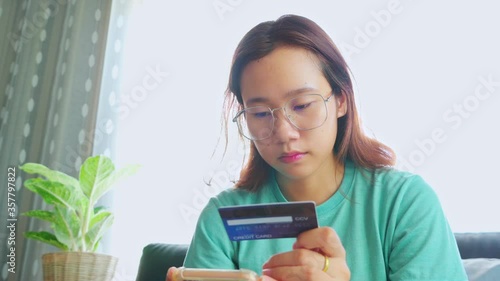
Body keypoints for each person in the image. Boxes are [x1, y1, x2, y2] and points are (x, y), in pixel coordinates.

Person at [167, 14, 468, 281]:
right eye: (259, 113)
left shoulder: (404, 203)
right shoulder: (224, 218)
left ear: (341, 100)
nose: (284, 133)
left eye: (302, 105)